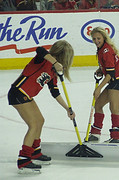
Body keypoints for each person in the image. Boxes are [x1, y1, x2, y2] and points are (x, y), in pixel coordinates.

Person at [7, 40, 75, 173]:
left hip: (26, 96)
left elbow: (55, 92)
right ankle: (24, 159)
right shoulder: (42, 59)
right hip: (18, 92)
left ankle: (35, 152)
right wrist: (55, 62)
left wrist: (67, 108)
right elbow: (40, 49)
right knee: (33, 125)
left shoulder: (53, 70)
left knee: (40, 121)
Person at [86, 27, 119, 143]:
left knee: (113, 108)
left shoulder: (106, 51)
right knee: (98, 104)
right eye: (94, 39)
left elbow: (111, 73)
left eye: (98, 38)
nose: (96, 41)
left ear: (103, 38)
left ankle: (116, 137)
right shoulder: (101, 49)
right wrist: (101, 70)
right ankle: (95, 133)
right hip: (114, 80)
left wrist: (98, 89)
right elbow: (109, 68)